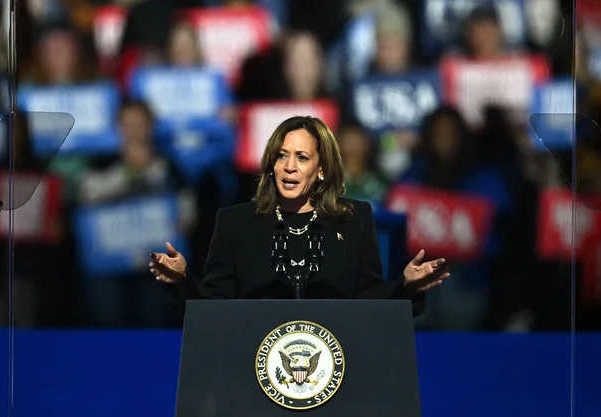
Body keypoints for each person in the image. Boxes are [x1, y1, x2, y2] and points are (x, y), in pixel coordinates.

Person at [149, 116, 450, 318]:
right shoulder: (235, 223)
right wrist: (183, 280)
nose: (289, 166)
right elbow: (214, 309)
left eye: (302, 157)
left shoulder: (354, 219)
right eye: (282, 156)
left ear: (322, 169)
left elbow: (369, 303)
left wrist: (405, 287)